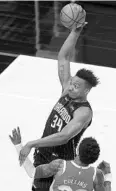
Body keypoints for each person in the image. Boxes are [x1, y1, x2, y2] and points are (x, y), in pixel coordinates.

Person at [18, 22, 99, 191]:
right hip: (43, 153)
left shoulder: (84, 112)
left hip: (60, 161)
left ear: (87, 90)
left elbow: (64, 136)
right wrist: (75, 32)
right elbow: (63, 57)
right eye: (71, 83)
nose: (70, 87)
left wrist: (32, 143)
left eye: (76, 86)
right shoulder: (66, 92)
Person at [9, 127, 112, 191]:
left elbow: (32, 172)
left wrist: (18, 145)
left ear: (77, 150)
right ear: (94, 159)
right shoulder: (97, 175)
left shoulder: (59, 165)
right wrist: (107, 175)